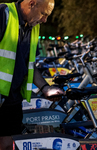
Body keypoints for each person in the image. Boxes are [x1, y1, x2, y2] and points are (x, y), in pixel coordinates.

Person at [0, 0, 64, 149]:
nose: (44, 20)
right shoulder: (4, 14)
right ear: (32, 3)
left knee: (9, 143)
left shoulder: (33, 27)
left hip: (12, 98)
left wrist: (45, 88)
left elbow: (29, 65)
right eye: (43, 13)